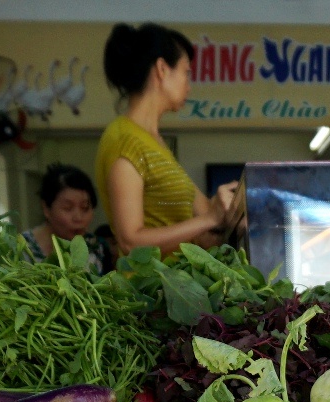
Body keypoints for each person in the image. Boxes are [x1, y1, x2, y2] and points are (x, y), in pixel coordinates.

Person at [94, 23, 240, 255]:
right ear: (162, 69)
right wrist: (210, 219)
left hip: (175, 285)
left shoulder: (155, 143)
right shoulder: (124, 141)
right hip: (147, 289)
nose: (189, 87)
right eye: (186, 73)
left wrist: (236, 205)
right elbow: (130, 242)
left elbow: (206, 213)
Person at [23, 165, 106, 270]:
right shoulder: (23, 249)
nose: (78, 217)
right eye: (68, 208)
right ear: (46, 209)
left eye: (85, 208)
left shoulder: (94, 246)